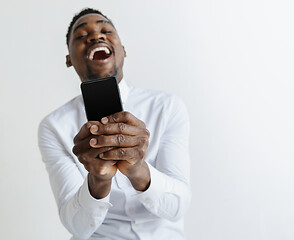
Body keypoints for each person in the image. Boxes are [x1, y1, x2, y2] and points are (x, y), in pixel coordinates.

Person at [38, 8, 191, 240]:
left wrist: (139, 170)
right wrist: (98, 179)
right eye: (81, 36)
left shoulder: (167, 107)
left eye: (106, 30)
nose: (95, 37)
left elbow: (177, 207)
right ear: (69, 59)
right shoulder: (54, 126)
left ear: (123, 50)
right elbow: (77, 227)